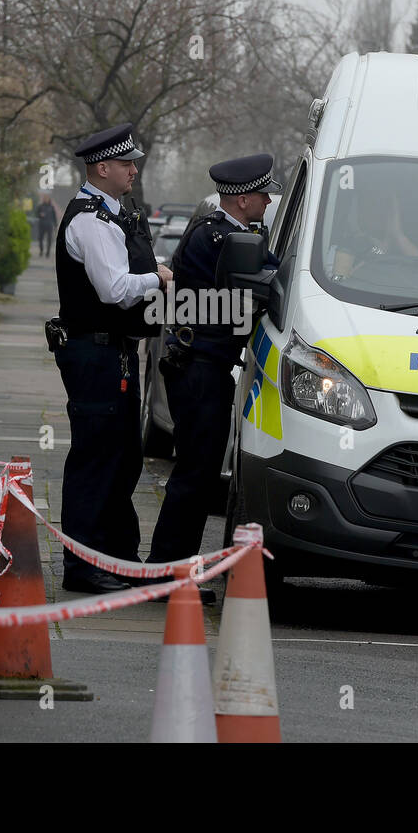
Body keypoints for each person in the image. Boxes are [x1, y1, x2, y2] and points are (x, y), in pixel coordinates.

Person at [146, 154, 280, 598]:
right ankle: (170, 573)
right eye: (262, 193)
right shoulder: (218, 238)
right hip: (200, 371)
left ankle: (170, 568)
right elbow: (256, 290)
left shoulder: (237, 234)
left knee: (198, 474)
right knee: (196, 475)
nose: (267, 199)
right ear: (243, 199)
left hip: (207, 368)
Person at [49, 124, 173, 595]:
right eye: (127, 164)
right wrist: (156, 278)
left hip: (113, 352)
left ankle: (118, 557)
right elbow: (115, 290)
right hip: (93, 352)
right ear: (103, 168)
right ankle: (83, 566)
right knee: (95, 459)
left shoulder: (113, 215)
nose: (133, 170)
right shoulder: (90, 220)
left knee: (123, 458)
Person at [333, 189, 418, 281]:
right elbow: (341, 291)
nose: (377, 211)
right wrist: (382, 249)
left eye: (384, 204)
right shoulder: (342, 250)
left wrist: (399, 237)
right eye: (370, 203)